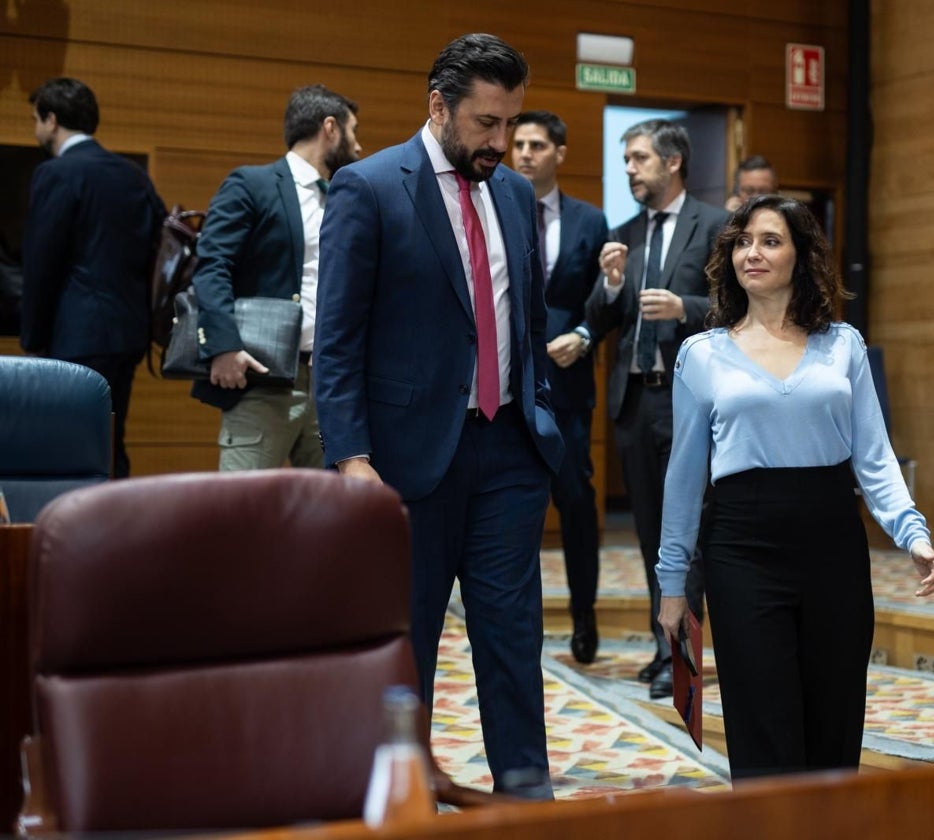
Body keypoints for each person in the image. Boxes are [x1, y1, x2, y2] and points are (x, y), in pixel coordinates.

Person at [313, 34, 563, 800]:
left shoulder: (516, 196)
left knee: (513, 641)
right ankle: (401, 795)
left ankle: (527, 800)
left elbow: (525, 316)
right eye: (487, 124)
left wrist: (538, 414)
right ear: (438, 107)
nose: (500, 143)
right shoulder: (370, 186)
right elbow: (338, 339)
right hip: (406, 464)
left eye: (510, 123)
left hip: (509, 453)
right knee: (406, 645)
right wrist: (351, 455)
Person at [657, 194, 934, 781]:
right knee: (763, 722)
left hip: (833, 540)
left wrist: (909, 530)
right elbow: (683, 475)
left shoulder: (844, 344)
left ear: (801, 255)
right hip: (741, 547)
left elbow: (874, 453)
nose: (752, 253)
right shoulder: (701, 354)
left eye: (769, 240)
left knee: (833, 721)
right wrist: (671, 582)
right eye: (741, 242)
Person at [584, 119, 726, 700]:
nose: (628, 170)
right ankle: (660, 644)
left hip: (687, 399)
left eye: (638, 158)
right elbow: (598, 318)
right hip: (635, 401)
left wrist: (684, 306)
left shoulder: (715, 226)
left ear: (672, 163)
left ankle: (684, 658)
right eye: (625, 160)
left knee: (685, 537)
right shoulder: (623, 233)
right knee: (648, 535)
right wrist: (612, 284)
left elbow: (734, 304)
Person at [190, 84, 360, 470]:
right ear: (330, 128)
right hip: (262, 379)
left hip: (329, 383)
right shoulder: (253, 184)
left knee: (327, 516)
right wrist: (222, 346)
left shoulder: (343, 198)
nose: (358, 146)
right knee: (242, 513)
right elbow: (212, 264)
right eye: (353, 132)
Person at [21, 77, 166, 478]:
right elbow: (157, 251)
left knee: (66, 447)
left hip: (77, 336)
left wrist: (32, 339)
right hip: (128, 334)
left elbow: (41, 263)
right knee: (110, 442)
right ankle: (117, 534)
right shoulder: (134, 175)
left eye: (36, 119)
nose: (35, 129)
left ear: (51, 120)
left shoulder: (56, 173)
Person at [511, 110, 609, 664]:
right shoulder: (493, 206)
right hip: (506, 383)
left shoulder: (591, 221)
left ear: (559, 152)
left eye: (536, 144)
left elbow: (607, 299)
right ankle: (521, 624)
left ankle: (584, 617)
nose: (523, 152)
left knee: (574, 502)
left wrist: (586, 333)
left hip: (567, 385)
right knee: (514, 507)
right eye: (518, 143)